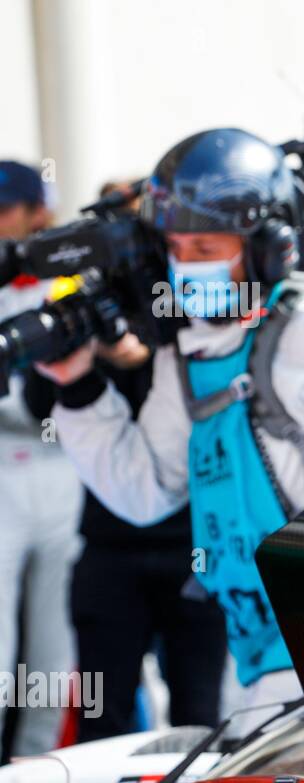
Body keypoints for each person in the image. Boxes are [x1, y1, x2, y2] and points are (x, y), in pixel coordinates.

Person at [34, 130, 304, 733]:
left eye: (206, 246)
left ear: (270, 248)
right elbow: (145, 489)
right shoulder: (191, 354)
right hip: (256, 666)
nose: (187, 265)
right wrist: (79, 387)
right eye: (176, 248)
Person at [21, 181, 231, 742]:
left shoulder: (193, 305)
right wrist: (93, 360)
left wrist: (148, 349)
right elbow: (40, 402)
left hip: (196, 548)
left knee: (199, 720)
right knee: (101, 718)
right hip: (108, 550)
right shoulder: (82, 297)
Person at [0, 160, 82, 761]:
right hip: (5, 468)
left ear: (38, 215)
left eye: (8, 211)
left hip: (66, 469)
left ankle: (37, 779)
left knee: (55, 648)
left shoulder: (69, 281)